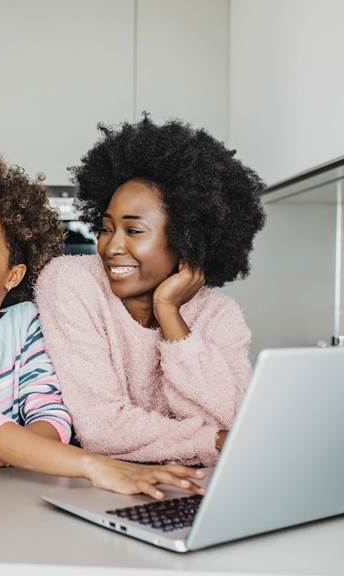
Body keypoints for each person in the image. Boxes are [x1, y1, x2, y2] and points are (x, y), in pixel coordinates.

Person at [0, 155, 205, 499]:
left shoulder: (26, 325)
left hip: (5, 502)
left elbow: (52, 419)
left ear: (14, 275)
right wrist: (94, 465)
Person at [36, 116, 266, 466]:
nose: (111, 247)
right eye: (107, 228)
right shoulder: (72, 282)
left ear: (185, 238)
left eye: (134, 231)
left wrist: (170, 315)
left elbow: (236, 421)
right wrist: (213, 442)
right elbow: (102, 428)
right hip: (93, 489)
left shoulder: (221, 315)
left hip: (191, 492)